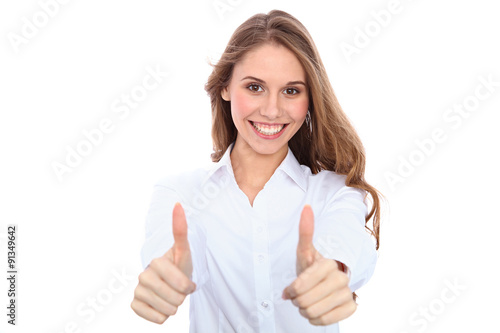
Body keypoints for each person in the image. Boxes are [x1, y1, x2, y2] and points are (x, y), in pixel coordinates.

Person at [131, 9, 381, 332]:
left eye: (291, 91)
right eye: (254, 87)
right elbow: (171, 249)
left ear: (310, 100)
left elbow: (348, 248)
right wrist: (170, 271)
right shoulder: (179, 193)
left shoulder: (336, 193)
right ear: (224, 87)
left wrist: (332, 272)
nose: (272, 110)